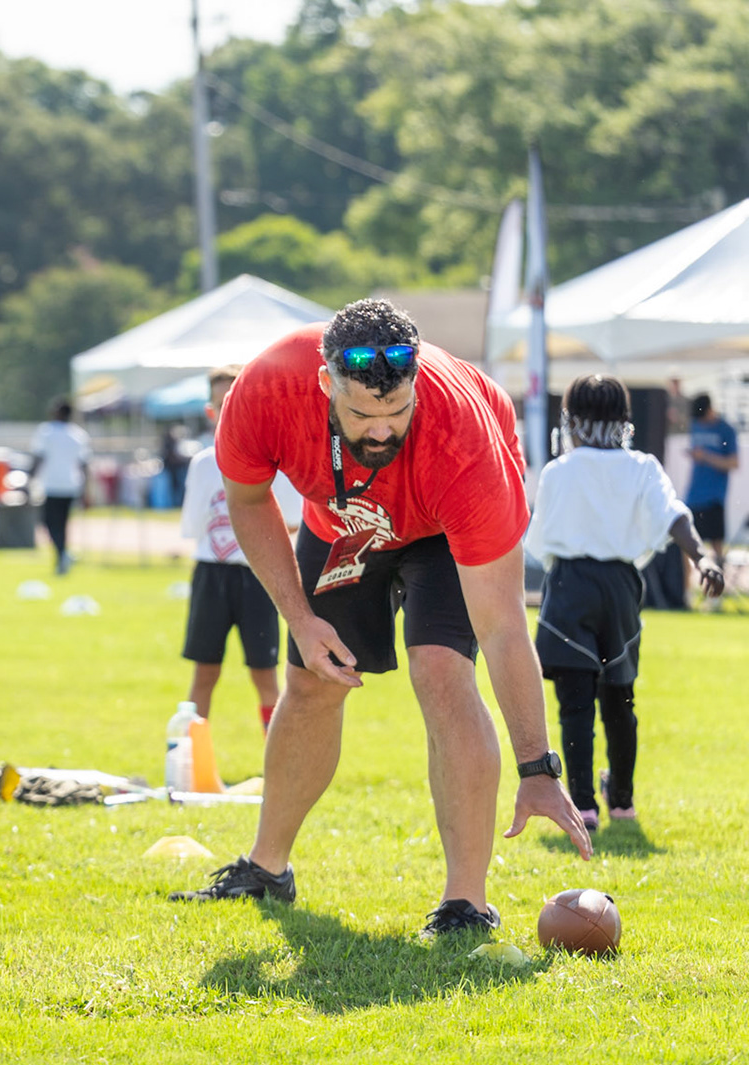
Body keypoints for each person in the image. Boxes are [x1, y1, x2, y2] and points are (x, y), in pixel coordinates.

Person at [170, 299, 590, 936]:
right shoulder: (266, 388)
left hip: (442, 525)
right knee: (311, 680)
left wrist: (537, 769)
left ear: (416, 383)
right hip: (344, 518)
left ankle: (465, 905)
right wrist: (300, 619)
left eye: (397, 412)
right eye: (362, 414)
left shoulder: (465, 441)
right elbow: (248, 501)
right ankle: (266, 868)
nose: (381, 431)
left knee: (442, 673)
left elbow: (504, 628)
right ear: (325, 383)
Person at [526, 375, 723, 829]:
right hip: (621, 588)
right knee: (619, 700)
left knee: (575, 705)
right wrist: (703, 558)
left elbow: (537, 541)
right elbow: (675, 517)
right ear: (624, 421)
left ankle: (583, 805)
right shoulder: (642, 466)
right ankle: (621, 800)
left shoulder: (560, 470)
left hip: (570, 585)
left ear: (572, 420)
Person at [178, 364, 303, 730]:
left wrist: (252, 528)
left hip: (259, 575)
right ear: (210, 411)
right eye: (222, 405)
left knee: (266, 676)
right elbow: (192, 527)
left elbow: (293, 520)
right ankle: (191, 754)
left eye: (236, 402)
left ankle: (278, 756)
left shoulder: (273, 461)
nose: (229, 412)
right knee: (204, 672)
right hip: (211, 576)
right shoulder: (203, 464)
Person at [28, 399, 90, 574]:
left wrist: (29, 479)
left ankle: (62, 553)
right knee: (61, 524)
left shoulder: (46, 432)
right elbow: (84, 465)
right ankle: (63, 555)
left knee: (48, 522)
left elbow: (39, 457)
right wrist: (86, 489)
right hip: (71, 485)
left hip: (52, 484)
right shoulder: (78, 434)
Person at [684, 392, 737, 585]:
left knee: (717, 545)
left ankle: (718, 587)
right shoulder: (695, 425)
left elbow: (733, 462)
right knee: (686, 544)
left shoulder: (726, 430)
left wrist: (706, 456)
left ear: (710, 410)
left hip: (714, 496)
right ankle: (685, 589)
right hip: (694, 495)